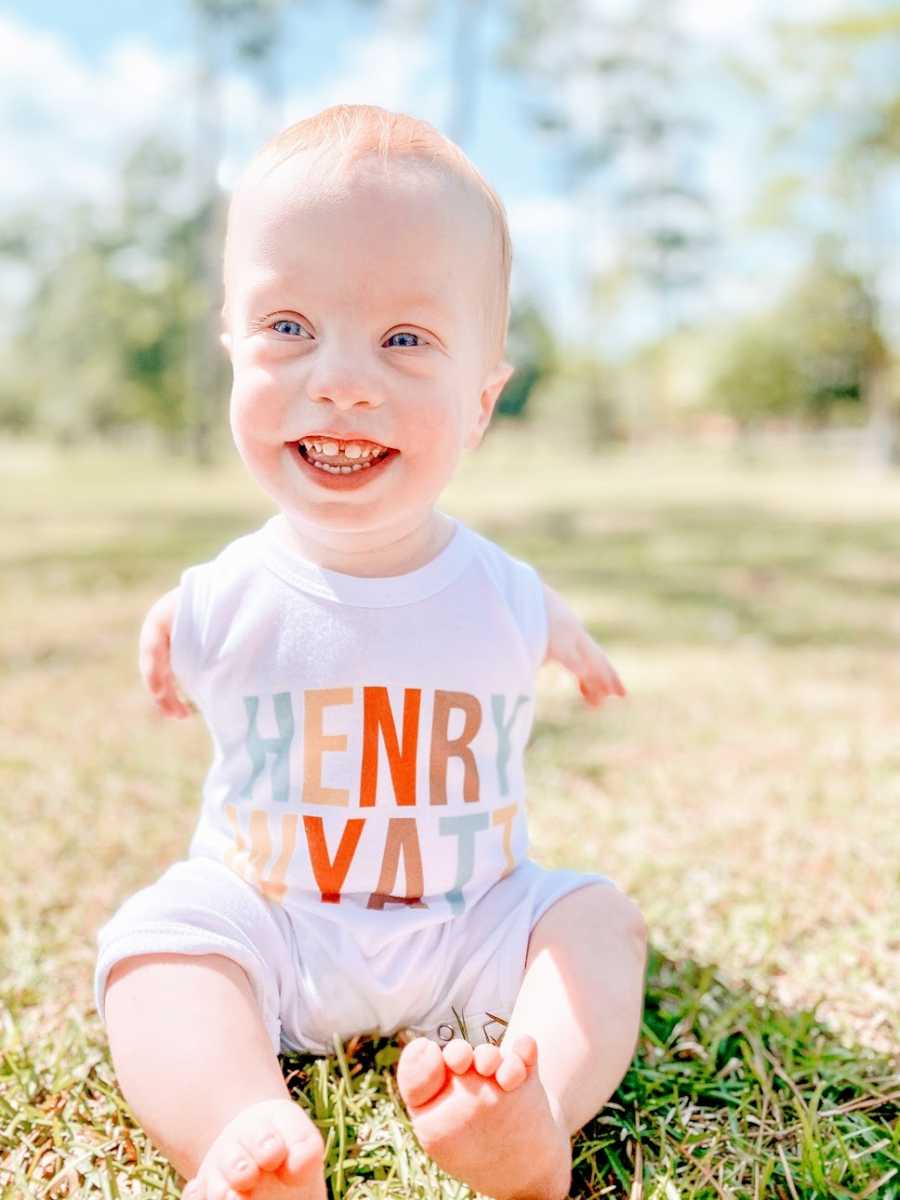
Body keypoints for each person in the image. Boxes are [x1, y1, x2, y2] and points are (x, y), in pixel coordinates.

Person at [94, 103, 648, 1200]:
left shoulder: (503, 589)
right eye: (289, 327)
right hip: (272, 921)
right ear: (233, 351)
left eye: (404, 340)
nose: (341, 380)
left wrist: (577, 650)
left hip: (472, 924)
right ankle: (245, 1133)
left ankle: (533, 1119)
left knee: (597, 920)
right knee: (154, 946)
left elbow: (548, 624)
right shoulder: (224, 593)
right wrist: (165, 633)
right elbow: (182, 625)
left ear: (481, 401)